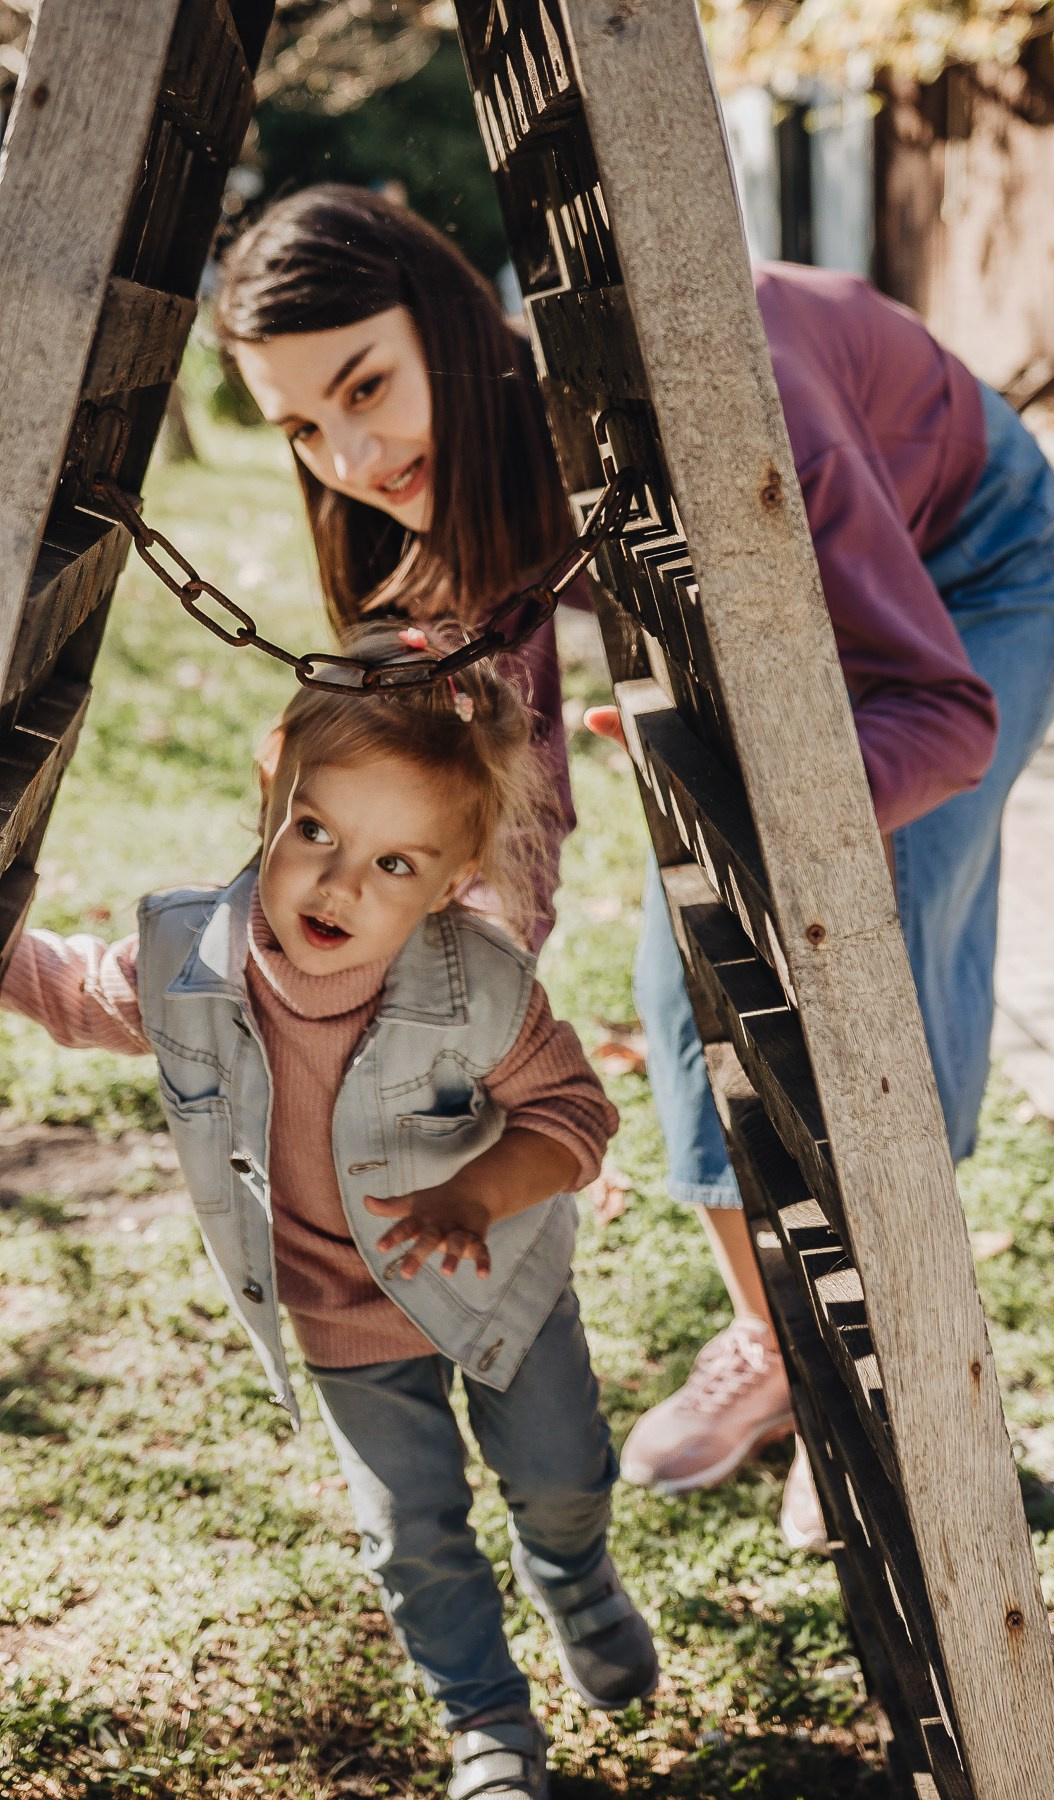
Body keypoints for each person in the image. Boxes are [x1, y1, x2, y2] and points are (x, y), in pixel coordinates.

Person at [213, 185, 1054, 1549]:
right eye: (302, 427)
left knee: (871, 938)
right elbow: (523, 801)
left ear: (447, 326)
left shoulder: (718, 409)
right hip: (774, 596)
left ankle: (895, 1390)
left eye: (367, 384)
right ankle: (782, 1352)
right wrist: (463, 983)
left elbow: (941, 712)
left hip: (967, 565)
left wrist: (755, 803)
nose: (350, 450)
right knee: (686, 962)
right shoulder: (451, 482)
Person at [1, 625, 658, 1800]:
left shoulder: (482, 983)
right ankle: (490, 1726)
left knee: (559, 1473)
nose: (342, 884)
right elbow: (67, 990)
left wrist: (478, 1190)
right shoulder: (189, 959)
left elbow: (573, 1114)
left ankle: (575, 1574)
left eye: (397, 865)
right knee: (411, 1534)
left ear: (455, 879)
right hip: (342, 1319)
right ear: (272, 789)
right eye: (317, 832)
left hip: (496, 1284)